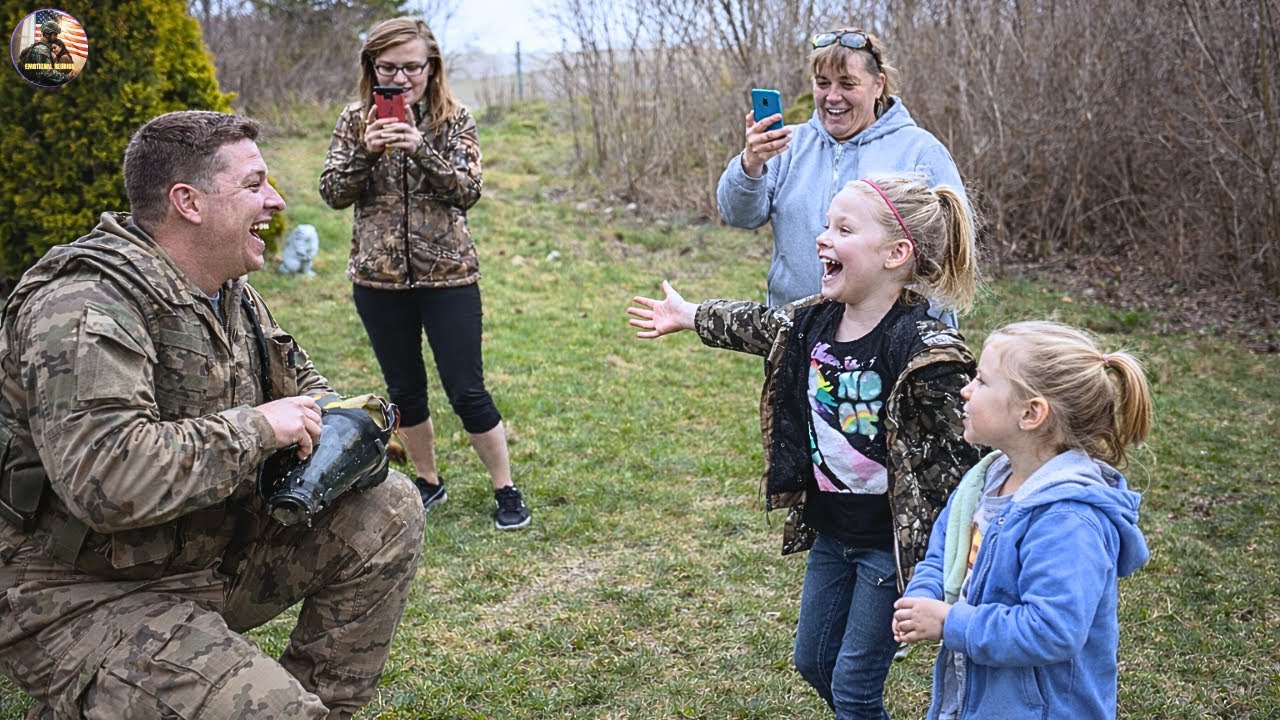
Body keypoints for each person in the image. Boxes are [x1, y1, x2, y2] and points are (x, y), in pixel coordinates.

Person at [0, 110, 425, 719]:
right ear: (188, 203)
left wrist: (343, 423)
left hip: (197, 551)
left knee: (388, 507)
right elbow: (106, 480)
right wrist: (261, 428)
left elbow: (302, 385)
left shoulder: (227, 291)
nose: (275, 200)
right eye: (254, 185)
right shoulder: (83, 308)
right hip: (76, 592)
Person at [628, 175, 982, 718]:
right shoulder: (813, 320)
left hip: (888, 545)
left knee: (854, 687)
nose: (822, 238)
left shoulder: (923, 350)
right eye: (825, 224)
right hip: (831, 531)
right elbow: (757, 323)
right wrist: (691, 315)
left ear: (896, 253)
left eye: (843, 229)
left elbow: (974, 444)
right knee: (814, 662)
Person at [320, 16, 531, 531]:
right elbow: (332, 193)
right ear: (371, 67)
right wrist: (367, 151)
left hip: (450, 278)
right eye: (387, 66)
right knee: (404, 390)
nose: (401, 77)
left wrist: (420, 147)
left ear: (431, 67)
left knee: (467, 390)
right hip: (378, 280)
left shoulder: (454, 120)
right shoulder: (354, 120)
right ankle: (428, 480)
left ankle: (505, 487)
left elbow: (467, 190)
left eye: (412, 66)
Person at [892, 321, 1152, 720]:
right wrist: (925, 595)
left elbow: (1052, 630)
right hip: (977, 699)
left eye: (981, 381)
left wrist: (951, 623)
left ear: (1030, 413)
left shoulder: (1068, 519)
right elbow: (945, 550)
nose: (966, 389)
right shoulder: (987, 479)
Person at [718, 28, 967, 309]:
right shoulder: (786, 145)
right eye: (823, 83)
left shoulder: (920, 151)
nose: (833, 96)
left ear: (879, 85)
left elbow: (952, 250)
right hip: (796, 331)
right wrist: (750, 164)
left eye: (848, 84)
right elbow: (738, 216)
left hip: (891, 340)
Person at [15, 20, 72, 86]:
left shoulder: (41, 47)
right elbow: (47, 72)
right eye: (55, 34)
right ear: (47, 34)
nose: (56, 37)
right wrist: (67, 77)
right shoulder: (42, 49)